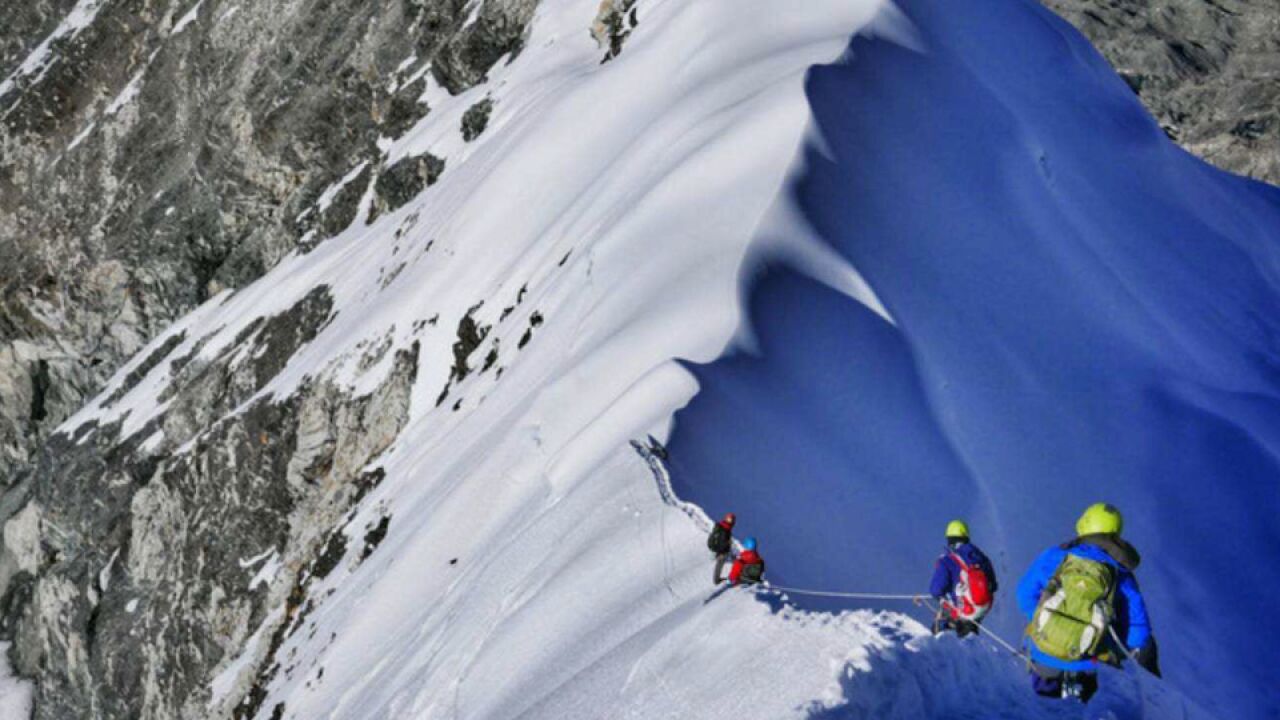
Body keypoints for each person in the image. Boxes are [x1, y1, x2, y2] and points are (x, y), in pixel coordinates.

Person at [1017, 503, 1157, 702]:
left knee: (1043, 705)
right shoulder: (1121, 573)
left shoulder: (1054, 556)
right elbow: (1138, 632)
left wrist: (1047, 622)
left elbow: (1024, 596)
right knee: (1086, 702)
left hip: (1044, 650)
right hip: (1091, 659)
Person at [928, 519, 997, 637]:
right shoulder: (982, 558)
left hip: (957, 612)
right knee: (970, 640)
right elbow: (994, 585)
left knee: (942, 635)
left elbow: (936, 590)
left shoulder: (947, 560)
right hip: (979, 610)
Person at [707, 513, 736, 584]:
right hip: (721, 551)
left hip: (721, 549)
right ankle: (716, 580)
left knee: (731, 557)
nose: (730, 521)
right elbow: (722, 542)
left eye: (731, 520)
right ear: (726, 518)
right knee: (720, 564)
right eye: (729, 519)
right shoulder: (725, 529)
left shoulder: (722, 525)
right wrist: (723, 550)